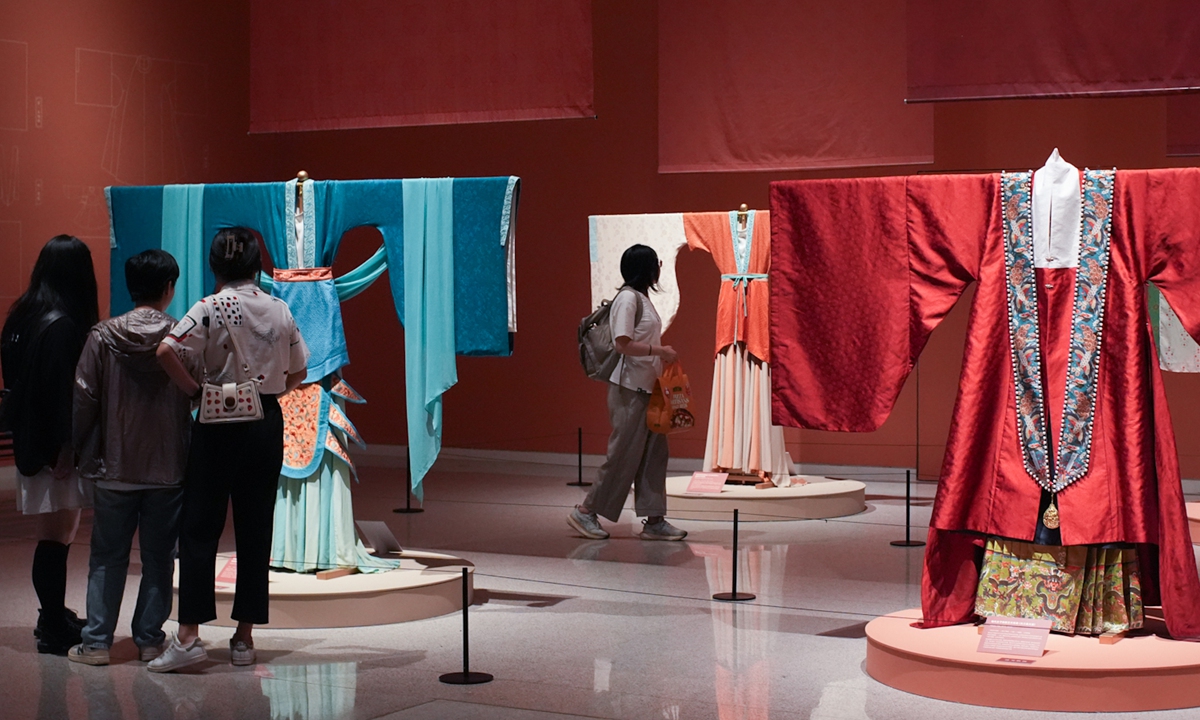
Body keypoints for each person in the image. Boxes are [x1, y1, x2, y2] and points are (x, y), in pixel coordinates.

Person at [150, 228, 308, 672]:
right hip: (264, 421)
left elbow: (166, 350)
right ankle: (244, 637)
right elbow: (300, 369)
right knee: (256, 527)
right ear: (257, 266)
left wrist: (195, 392)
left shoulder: (209, 307)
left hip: (217, 419)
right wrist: (268, 394)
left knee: (200, 526)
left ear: (214, 266)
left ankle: (189, 636)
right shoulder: (279, 309)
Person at [67, 250, 193, 666]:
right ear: (169, 288)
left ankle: (97, 643)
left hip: (114, 467)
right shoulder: (181, 337)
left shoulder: (102, 336)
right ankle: (150, 640)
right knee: (159, 559)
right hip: (168, 468)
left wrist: (84, 450)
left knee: (107, 557)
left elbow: (84, 397)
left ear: (130, 286)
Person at [1, 235, 99, 654]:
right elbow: (63, 395)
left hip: (29, 441)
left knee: (53, 532)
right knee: (57, 535)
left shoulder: (21, 316)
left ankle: (53, 614)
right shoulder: (63, 326)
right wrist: (67, 448)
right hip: (54, 448)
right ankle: (52, 624)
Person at [568, 244, 688, 541]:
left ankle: (655, 519)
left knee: (654, 455)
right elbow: (622, 343)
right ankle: (585, 511)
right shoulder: (627, 299)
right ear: (647, 268)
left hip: (648, 388)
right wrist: (660, 351)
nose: (659, 267)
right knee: (622, 455)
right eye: (656, 263)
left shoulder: (641, 298)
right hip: (629, 389)